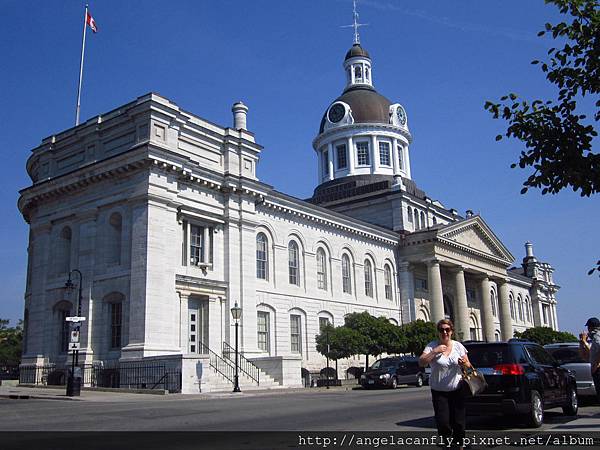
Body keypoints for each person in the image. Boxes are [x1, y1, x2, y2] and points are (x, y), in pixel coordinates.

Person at [419, 319, 471, 450]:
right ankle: (447, 444)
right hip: (439, 392)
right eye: (441, 330)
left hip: (457, 390)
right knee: (443, 422)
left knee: (458, 422)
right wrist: (435, 351)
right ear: (438, 332)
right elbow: (421, 362)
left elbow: (469, 366)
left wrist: (463, 363)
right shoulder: (432, 346)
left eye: (447, 329)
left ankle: (459, 444)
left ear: (451, 331)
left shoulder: (458, 346)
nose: (444, 332)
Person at [579, 317, 600, 402]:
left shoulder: (597, 336)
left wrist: (597, 363)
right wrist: (582, 343)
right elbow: (585, 356)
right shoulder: (593, 339)